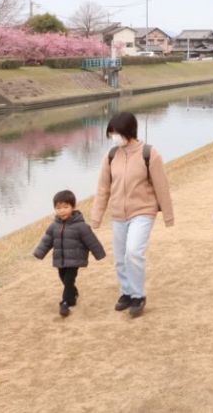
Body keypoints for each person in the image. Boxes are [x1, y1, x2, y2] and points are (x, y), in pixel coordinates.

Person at [91, 112, 174, 318]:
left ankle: (138, 296)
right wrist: (96, 216)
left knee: (134, 252)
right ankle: (126, 292)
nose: (113, 137)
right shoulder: (111, 156)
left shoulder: (149, 154)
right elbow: (103, 188)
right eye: (111, 133)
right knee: (120, 258)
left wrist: (168, 216)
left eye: (116, 132)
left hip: (143, 211)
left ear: (129, 131)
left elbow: (161, 186)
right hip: (118, 214)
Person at [33, 189, 106, 317]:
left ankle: (65, 303)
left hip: (75, 259)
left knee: (68, 280)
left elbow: (91, 240)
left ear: (73, 207)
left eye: (66, 207)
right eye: (58, 208)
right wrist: (39, 252)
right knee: (63, 278)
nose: (62, 210)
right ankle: (73, 294)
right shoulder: (54, 225)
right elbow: (47, 240)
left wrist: (99, 253)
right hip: (60, 259)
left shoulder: (81, 226)